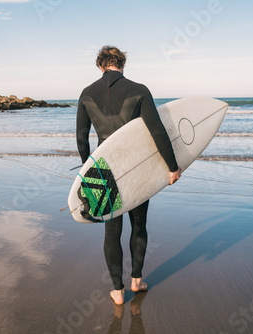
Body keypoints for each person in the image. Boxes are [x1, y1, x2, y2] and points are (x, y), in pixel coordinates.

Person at [76, 46, 181, 305]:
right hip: (137, 169)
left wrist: (87, 174)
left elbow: (81, 138)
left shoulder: (86, 93)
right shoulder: (140, 90)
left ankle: (117, 291)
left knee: (112, 231)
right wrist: (172, 166)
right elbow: (157, 132)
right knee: (139, 223)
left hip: (104, 172)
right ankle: (136, 280)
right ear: (122, 64)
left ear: (100, 65)